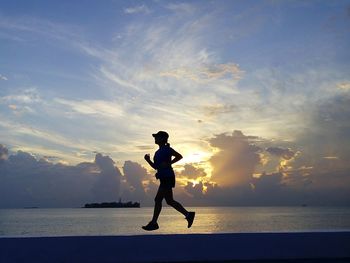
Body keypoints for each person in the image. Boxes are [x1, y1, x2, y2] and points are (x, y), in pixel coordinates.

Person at [142, 131, 195, 231]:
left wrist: (169, 163)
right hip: (163, 178)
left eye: (157, 137)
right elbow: (156, 167)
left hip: (168, 177)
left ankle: (154, 223)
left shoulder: (167, 149)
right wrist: (148, 160)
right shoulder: (157, 152)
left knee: (158, 199)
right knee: (169, 201)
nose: (155, 138)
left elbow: (179, 156)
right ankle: (188, 215)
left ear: (163, 138)